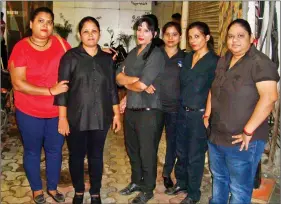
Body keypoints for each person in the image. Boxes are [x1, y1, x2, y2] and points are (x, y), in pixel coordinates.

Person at [206, 19, 279, 204]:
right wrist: (207, 114)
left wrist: (248, 130)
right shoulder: (225, 59)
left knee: (239, 189)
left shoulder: (260, 63)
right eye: (230, 36)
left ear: (251, 38)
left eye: (240, 36)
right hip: (217, 136)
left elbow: (270, 97)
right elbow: (214, 88)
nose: (234, 41)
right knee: (219, 179)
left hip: (243, 141)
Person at [54, 16, 121, 204]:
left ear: (99, 33)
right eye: (86, 31)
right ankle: (78, 191)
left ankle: (95, 192)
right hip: (76, 117)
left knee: (96, 155)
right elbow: (62, 89)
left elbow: (111, 89)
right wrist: (62, 117)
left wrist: (116, 114)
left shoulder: (107, 59)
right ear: (79, 34)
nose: (90, 35)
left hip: (101, 116)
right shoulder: (70, 57)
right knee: (76, 156)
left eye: (94, 31)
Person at [8, 7, 71, 204]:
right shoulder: (21, 47)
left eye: (49, 22)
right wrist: (50, 91)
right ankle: (37, 189)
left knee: (55, 150)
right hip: (29, 112)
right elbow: (18, 83)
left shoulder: (61, 44)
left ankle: (52, 187)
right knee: (32, 151)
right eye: (41, 21)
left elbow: (79, 59)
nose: (45, 25)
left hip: (56, 112)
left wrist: (98, 54)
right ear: (31, 24)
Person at [165, 22, 219, 204]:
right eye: (190, 37)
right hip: (182, 111)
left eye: (197, 36)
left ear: (207, 38)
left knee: (195, 155)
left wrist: (207, 115)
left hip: (199, 115)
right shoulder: (187, 58)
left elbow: (214, 90)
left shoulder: (214, 62)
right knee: (181, 151)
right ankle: (182, 183)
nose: (193, 40)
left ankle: (194, 193)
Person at [116, 16, 165, 203]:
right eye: (139, 29)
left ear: (154, 34)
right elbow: (118, 78)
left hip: (149, 111)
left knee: (147, 151)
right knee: (132, 149)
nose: (141, 33)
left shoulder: (156, 55)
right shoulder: (133, 52)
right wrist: (135, 82)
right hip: (132, 108)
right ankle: (136, 181)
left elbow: (142, 84)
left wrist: (136, 82)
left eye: (146, 30)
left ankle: (148, 188)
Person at [158, 22, 185, 189]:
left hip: (175, 108)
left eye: (174, 34)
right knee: (150, 142)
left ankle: (167, 173)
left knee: (172, 142)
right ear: (162, 36)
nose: (170, 38)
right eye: (167, 34)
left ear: (180, 37)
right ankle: (146, 173)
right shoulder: (155, 55)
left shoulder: (186, 58)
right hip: (154, 106)